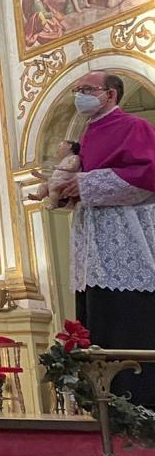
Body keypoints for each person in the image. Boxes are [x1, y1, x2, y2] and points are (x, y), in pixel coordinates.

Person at [54, 71, 155, 405]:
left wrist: (85, 185)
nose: (79, 96)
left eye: (87, 89)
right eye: (78, 90)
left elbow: (146, 175)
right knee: (96, 317)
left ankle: (136, 401)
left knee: (127, 317)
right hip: (92, 241)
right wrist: (70, 192)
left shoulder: (134, 127)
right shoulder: (89, 132)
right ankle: (101, 401)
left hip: (126, 238)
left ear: (111, 95)